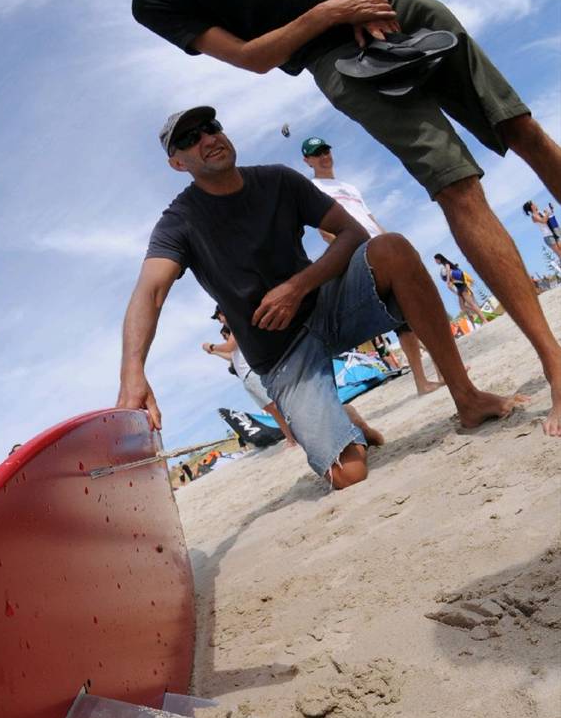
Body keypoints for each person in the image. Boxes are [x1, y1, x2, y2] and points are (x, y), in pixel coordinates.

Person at [43, 0, 561, 434]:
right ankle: (556, 369)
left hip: (387, 1)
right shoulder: (151, 4)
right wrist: (334, 14)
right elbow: (249, 57)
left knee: (525, 132)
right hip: (337, 56)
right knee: (456, 185)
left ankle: (480, 390)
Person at [116, 108, 522, 490]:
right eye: (190, 138)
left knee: (392, 248)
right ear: (178, 163)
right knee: (349, 474)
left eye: (211, 126)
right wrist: (133, 372)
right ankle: (345, 421)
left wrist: (299, 286)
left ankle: (467, 397)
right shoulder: (180, 220)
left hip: (326, 307)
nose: (208, 138)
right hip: (281, 353)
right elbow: (150, 290)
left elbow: (351, 233)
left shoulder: (278, 180)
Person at [300, 136, 444, 396]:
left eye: (325, 150)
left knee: (412, 306)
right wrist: (348, 253)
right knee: (402, 309)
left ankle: (439, 371)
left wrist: (396, 245)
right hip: (357, 251)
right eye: (316, 153)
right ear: (307, 160)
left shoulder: (349, 187)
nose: (323, 156)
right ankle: (423, 380)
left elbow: (370, 218)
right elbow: (325, 232)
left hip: (380, 245)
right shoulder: (314, 189)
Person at [203, 314, 298, 446]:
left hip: (251, 374)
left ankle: (293, 436)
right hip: (247, 379)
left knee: (274, 407)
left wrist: (212, 346)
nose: (219, 320)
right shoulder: (234, 333)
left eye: (218, 317)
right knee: (271, 409)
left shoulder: (235, 327)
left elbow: (229, 347)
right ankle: (290, 437)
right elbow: (231, 355)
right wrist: (214, 352)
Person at [433, 255, 487, 327]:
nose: (435, 262)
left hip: (463, 286)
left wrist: (448, 280)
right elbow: (451, 285)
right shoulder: (447, 271)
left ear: (439, 259)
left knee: (472, 304)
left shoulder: (446, 263)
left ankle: (484, 320)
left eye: (436, 260)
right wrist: (455, 291)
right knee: (462, 307)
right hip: (459, 288)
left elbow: (448, 270)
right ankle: (477, 311)